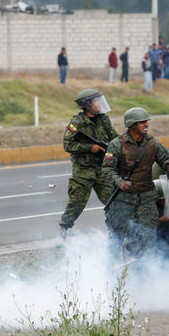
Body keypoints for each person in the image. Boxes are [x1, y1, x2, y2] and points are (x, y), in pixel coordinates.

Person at [101, 107, 169, 260]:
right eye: (142, 122)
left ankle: (144, 269)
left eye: (146, 122)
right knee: (117, 234)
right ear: (132, 125)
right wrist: (119, 182)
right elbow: (106, 169)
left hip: (146, 198)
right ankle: (108, 268)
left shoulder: (153, 143)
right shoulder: (116, 144)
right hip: (123, 199)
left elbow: (166, 162)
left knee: (149, 235)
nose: (146, 124)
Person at [59, 89, 118, 238]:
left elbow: (114, 138)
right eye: (96, 101)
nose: (99, 103)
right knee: (76, 204)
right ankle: (63, 231)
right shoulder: (77, 122)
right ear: (87, 105)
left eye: (99, 100)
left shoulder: (104, 119)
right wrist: (89, 148)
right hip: (83, 172)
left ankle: (116, 233)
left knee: (113, 203)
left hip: (102, 169)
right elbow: (68, 145)